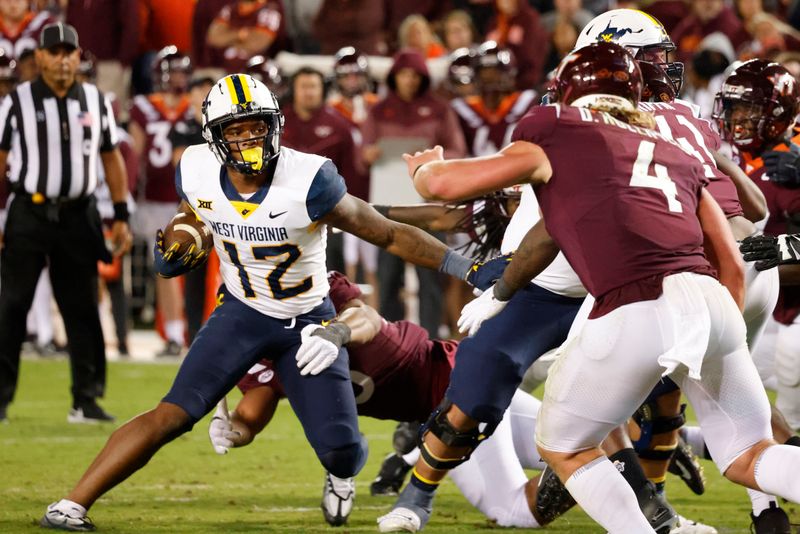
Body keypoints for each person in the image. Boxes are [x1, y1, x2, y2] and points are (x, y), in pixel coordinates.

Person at [38, 73, 494, 531]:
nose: (248, 138)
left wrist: (466, 268)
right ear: (215, 138)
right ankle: (71, 504)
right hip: (242, 312)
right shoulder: (195, 167)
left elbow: (387, 232)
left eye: (256, 125)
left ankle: (341, 474)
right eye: (234, 130)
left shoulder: (309, 179)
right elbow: (194, 210)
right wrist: (183, 237)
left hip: (308, 319)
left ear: (274, 125)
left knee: (342, 450)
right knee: (173, 414)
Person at [384, 42, 800, 533]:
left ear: (568, 92)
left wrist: (424, 167)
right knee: (751, 453)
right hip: (713, 300)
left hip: (634, 302)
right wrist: (713, 334)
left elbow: (443, 189)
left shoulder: (558, 131)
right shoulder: (675, 148)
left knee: (565, 445)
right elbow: (730, 256)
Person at [0, 22, 132, 424]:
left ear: (78, 57)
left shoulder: (95, 99)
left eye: (68, 52)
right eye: (54, 52)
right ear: (38, 57)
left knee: (82, 309)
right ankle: (0, 400)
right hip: (29, 209)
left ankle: (86, 399)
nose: (62, 59)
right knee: (11, 305)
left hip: (79, 212)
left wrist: (122, 214)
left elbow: (111, 157)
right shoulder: (16, 101)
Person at [712, 60, 800, 435]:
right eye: (732, 107)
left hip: (788, 313)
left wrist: (754, 260)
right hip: (765, 311)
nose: (737, 118)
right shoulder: (734, 158)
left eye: (748, 108)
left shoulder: (788, 163)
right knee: (728, 386)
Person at [129, 46, 194, 357]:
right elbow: (134, 156)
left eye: (183, 72)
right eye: (175, 72)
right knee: (164, 269)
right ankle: (173, 332)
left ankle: (181, 331)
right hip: (153, 200)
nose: (178, 78)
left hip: (189, 202)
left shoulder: (196, 107)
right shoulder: (143, 106)